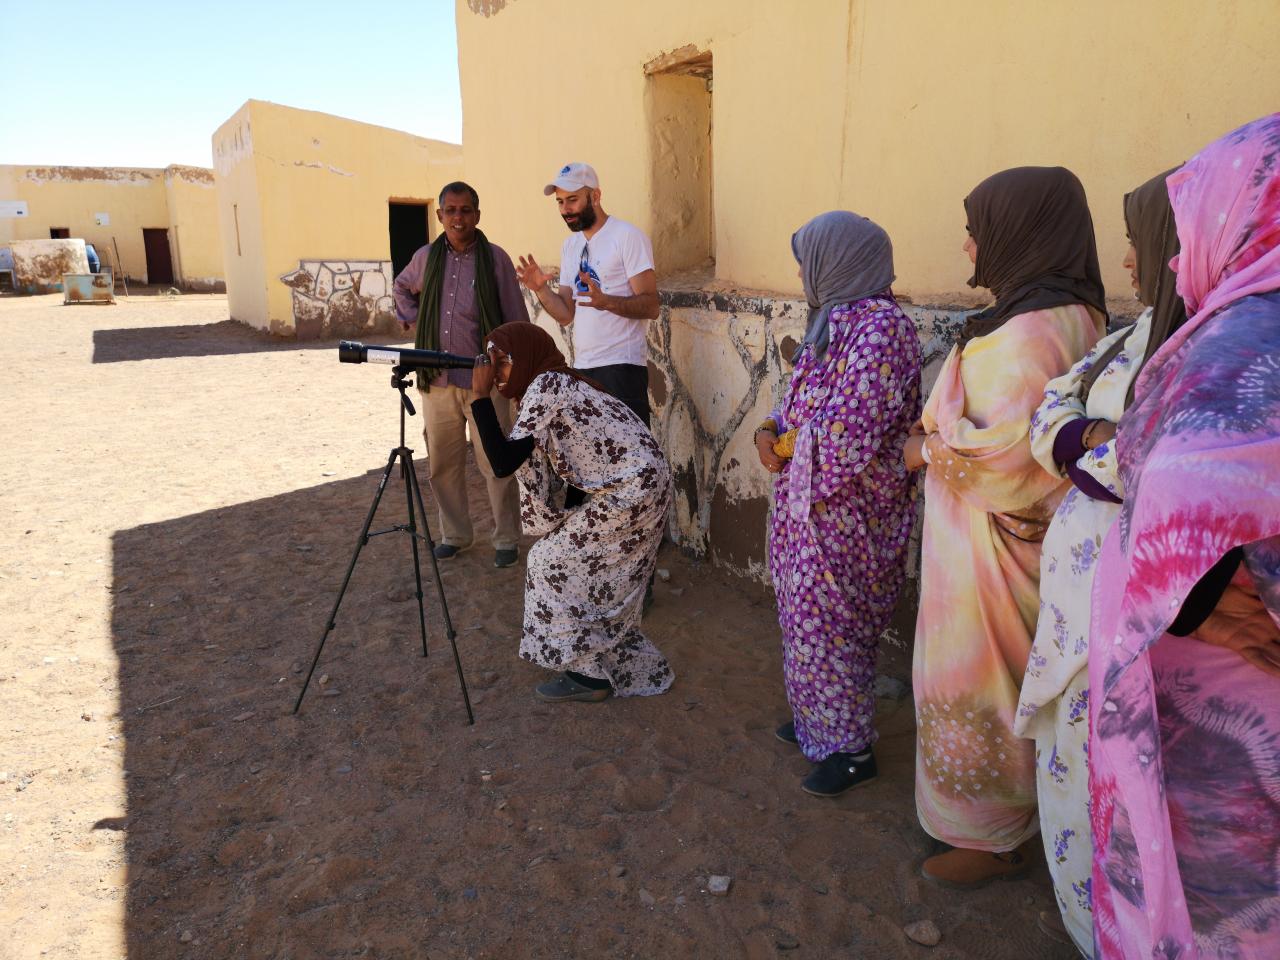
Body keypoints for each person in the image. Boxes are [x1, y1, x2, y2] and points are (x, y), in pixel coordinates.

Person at [1087, 113, 1280, 960]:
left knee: (1224, 904)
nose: (1167, 258)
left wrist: (1193, 600)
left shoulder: (1243, 336)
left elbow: (1189, 479)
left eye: (1187, 223)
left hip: (1230, 689)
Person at [903, 167, 1106, 887]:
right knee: (1008, 675)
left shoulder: (1033, 332)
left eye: (977, 230)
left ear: (1022, 232)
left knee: (981, 676)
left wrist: (923, 450)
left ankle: (990, 837)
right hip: (1000, 545)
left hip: (993, 549)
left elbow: (1016, 458)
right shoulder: (1068, 316)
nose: (966, 246)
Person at [1015, 167, 1187, 956]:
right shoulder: (1128, 336)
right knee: (1071, 772)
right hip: (1073, 596)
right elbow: (1052, 409)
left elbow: (1157, 461)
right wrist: (1086, 437)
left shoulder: (1209, 351)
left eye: (1137, 245)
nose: (1127, 264)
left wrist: (1084, 441)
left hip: (1146, 611)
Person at [754, 211, 922, 797]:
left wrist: (789, 449)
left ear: (839, 261)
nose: (802, 271)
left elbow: (849, 436)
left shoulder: (882, 329)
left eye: (808, 260)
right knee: (805, 623)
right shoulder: (833, 321)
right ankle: (815, 723)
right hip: (810, 509)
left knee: (834, 627)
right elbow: (798, 401)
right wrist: (769, 428)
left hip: (849, 513)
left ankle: (851, 751)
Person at [467, 323, 674, 702]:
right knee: (595, 577)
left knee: (549, 562)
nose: (495, 372)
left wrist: (479, 398)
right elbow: (585, 457)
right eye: (490, 363)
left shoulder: (548, 385)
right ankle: (612, 667)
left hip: (632, 493)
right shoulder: (557, 386)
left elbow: (502, 462)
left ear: (527, 356)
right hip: (641, 489)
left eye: (503, 362)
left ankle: (588, 676)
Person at [392, 181, 530, 568]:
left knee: (496, 461)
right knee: (443, 463)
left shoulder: (495, 259)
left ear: (477, 215)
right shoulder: (425, 258)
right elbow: (402, 287)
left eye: (465, 210)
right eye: (450, 211)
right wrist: (415, 320)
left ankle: (505, 538)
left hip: (484, 381)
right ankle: (455, 535)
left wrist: (511, 377)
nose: (458, 217)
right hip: (436, 381)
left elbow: (515, 320)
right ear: (439, 216)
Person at [514, 163, 659, 426]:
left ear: (595, 196)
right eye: (560, 202)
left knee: (629, 460)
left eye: (572, 200)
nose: (565, 209)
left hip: (622, 368)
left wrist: (607, 302)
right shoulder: (571, 245)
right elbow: (566, 314)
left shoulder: (627, 237)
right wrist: (540, 289)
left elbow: (651, 305)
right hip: (583, 368)